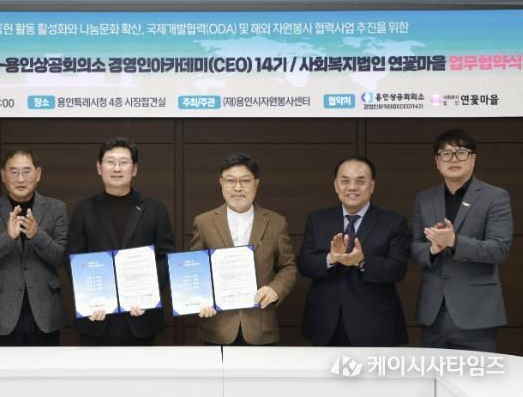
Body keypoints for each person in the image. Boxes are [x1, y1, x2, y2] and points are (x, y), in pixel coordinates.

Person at [411, 129, 512, 352]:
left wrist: (455, 241)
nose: (454, 159)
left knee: (477, 375)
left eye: (461, 153)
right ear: (437, 162)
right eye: (446, 154)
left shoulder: (495, 197)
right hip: (433, 313)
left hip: (477, 312)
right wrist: (433, 249)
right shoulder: (424, 199)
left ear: (473, 159)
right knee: (433, 373)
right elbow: (414, 247)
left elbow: (499, 249)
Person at [68, 137, 174, 346]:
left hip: (141, 315)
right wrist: (88, 299)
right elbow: (73, 258)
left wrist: (147, 296)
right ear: (99, 167)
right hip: (96, 317)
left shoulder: (155, 209)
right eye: (110, 162)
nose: (117, 168)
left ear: (134, 169)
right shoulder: (84, 209)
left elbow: (165, 258)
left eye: (123, 162)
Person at [297, 156, 409, 346]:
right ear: (336, 185)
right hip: (325, 320)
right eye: (345, 181)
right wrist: (330, 258)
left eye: (360, 181)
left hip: (374, 323)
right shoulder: (317, 219)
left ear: (372, 186)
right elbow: (304, 264)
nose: (352, 187)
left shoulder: (393, 222)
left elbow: (398, 270)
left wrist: (362, 262)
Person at [190, 153, 297, 345]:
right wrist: (201, 298)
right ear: (221, 183)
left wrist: (275, 289)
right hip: (217, 327)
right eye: (231, 181)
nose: (238, 187)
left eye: (245, 181)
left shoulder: (276, 222)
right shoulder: (204, 222)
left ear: (256, 184)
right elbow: (195, 269)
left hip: (261, 327)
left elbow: (288, 267)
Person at [0, 149, 68, 346]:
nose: (20, 179)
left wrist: (37, 235)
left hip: (44, 312)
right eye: (14, 172)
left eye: (26, 171)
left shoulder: (56, 208)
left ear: (38, 174)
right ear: (3, 175)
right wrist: (7, 238)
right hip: (0, 312)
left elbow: (60, 258)